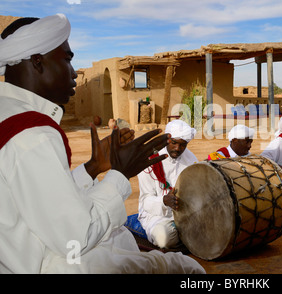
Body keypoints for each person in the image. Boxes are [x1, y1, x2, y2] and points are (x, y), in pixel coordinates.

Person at [0, 14, 205, 274]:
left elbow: (38, 196)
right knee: (182, 268)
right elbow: (76, 237)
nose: (74, 73)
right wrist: (120, 174)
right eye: (67, 59)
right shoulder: (31, 134)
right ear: (38, 62)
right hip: (40, 264)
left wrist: (93, 167)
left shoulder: (7, 114)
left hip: (36, 248)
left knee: (119, 237)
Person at [137, 120, 198, 250]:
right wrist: (164, 201)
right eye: (174, 143)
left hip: (185, 213)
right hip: (156, 214)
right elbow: (145, 200)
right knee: (164, 238)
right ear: (167, 139)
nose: (177, 149)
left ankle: (183, 234)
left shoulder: (191, 160)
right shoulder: (149, 161)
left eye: (183, 145)